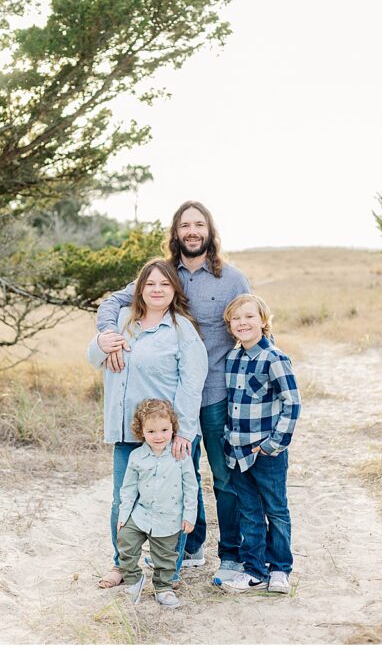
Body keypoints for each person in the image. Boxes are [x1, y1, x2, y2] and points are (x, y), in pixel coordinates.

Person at [95, 201, 251, 583]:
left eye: (199, 224)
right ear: (176, 233)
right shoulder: (165, 276)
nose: (192, 231)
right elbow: (115, 301)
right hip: (169, 397)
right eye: (185, 225)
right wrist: (106, 335)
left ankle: (230, 555)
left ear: (210, 231)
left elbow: (252, 323)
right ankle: (191, 545)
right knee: (183, 472)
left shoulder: (232, 279)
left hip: (214, 392)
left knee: (222, 476)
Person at [89, 258, 207, 590]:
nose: (157, 290)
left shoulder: (182, 328)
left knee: (170, 499)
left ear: (174, 290)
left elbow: (191, 382)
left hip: (166, 435)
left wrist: (182, 431)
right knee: (123, 499)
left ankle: (168, 570)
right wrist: (101, 343)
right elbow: (92, 356)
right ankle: (122, 565)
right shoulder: (123, 322)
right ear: (139, 288)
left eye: (165, 285)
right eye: (150, 284)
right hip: (128, 430)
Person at [213, 294, 300, 595]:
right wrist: (227, 439)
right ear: (230, 326)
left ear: (263, 321)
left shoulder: (274, 358)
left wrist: (274, 444)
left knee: (275, 509)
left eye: (249, 317)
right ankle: (254, 570)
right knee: (249, 511)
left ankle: (279, 570)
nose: (242, 323)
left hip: (267, 452)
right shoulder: (233, 359)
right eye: (236, 319)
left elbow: (292, 403)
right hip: (237, 451)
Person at [117, 399, 198, 608]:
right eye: (152, 431)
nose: (159, 436)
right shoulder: (137, 457)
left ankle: (163, 588)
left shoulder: (180, 455)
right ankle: (134, 580)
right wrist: (123, 516)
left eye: (164, 429)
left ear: (173, 427)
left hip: (169, 517)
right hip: (141, 514)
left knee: (166, 558)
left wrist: (189, 515)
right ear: (142, 431)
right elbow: (128, 489)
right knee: (125, 541)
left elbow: (191, 487)